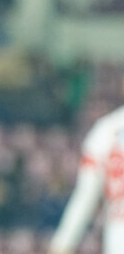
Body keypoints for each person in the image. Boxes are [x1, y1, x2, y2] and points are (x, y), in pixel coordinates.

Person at [49, 74, 124, 253]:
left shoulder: (106, 129)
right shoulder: (106, 131)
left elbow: (84, 199)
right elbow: (84, 198)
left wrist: (62, 245)